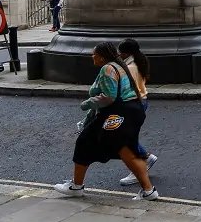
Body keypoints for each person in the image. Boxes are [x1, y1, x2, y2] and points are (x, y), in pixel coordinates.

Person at [55, 42, 158, 201]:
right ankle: (148, 191)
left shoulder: (108, 69)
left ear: (102, 57)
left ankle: (77, 187)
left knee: (122, 150)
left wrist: (88, 103)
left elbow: (109, 97)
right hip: (131, 110)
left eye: (94, 54)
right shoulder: (120, 66)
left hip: (118, 112)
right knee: (110, 147)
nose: (92, 56)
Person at [117, 39, 159, 186]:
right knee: (127, 137)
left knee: (127, 138)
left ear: (127, 52)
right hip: (139, 101)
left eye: (120, 51)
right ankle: (146, 158)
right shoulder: (135, 62)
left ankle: (139, 168)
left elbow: (129, 90)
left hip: (134, 102)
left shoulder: (131, 67)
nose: (118, 54)